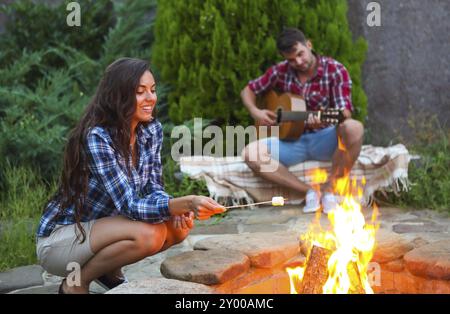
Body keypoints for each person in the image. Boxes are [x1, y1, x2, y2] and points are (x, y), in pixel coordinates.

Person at [36, 58, 224, 294]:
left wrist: (173, 208)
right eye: (140, 92)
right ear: (118, 96)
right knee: (149, 235)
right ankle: (75, 283)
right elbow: (129, 205)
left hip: (105, 229)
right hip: (62, 240)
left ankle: (107, 271)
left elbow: (153, 186)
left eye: (152, 90)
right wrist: (185, 202)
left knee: (178, 229)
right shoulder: (98, 137)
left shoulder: (150, 129)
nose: (151, 98)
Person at [241, 28, 364, 214]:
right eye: (291, 59)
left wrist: (322, 118)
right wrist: (255, 111)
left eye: (300, 54)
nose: (298, 62)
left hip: (324, 139)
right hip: (291, 142)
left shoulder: (335, 70)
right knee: (251, 153)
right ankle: (311, 192)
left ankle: (330, 189)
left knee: (354, 128)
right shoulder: (280, 71)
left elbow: (344, 112)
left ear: (309, 44)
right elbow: (248, 90)